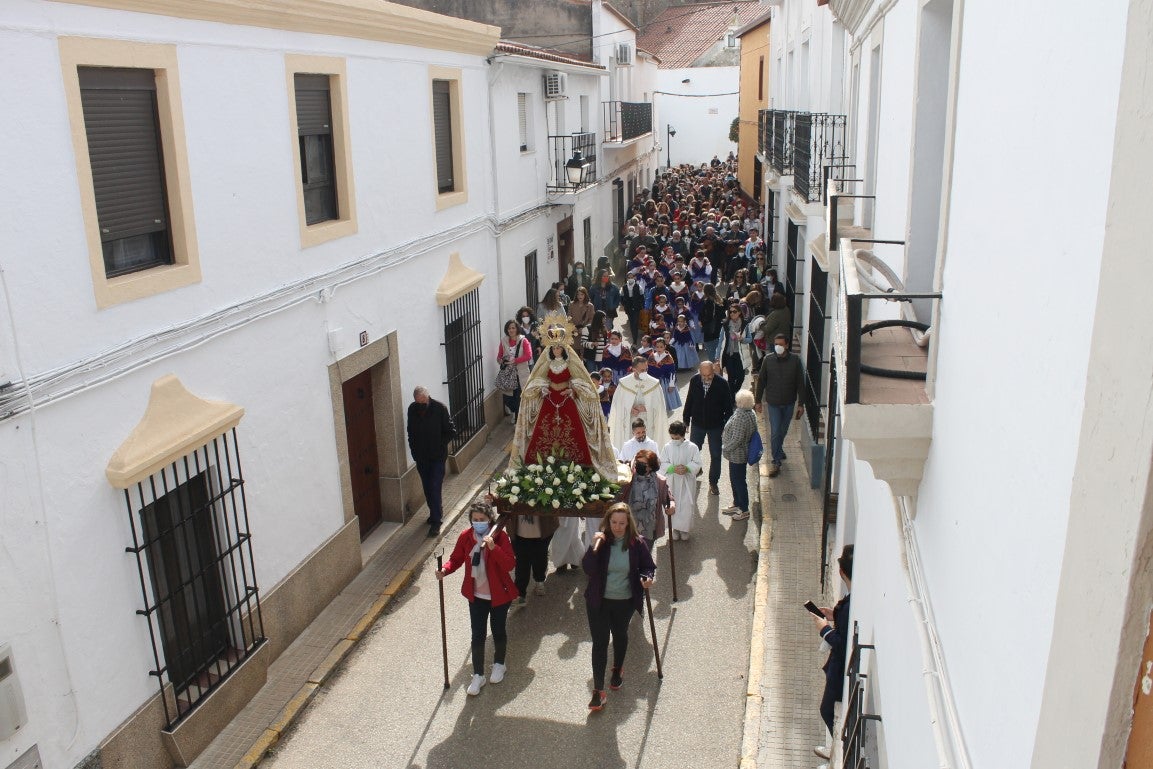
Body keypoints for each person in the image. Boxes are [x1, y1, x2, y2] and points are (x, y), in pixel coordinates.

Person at [513, 316, 618, 480]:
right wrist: (542, 388)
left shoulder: (571, 363)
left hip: (566, 401)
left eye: (559, 348)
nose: (556, 350)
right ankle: (542, 465)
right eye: (553, 348)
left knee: (572, 431)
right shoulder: (546, 363)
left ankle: (575, 465)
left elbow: (582, 381)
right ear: (550, 349)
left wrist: (572, 390)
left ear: (564, 348)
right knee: (545, 433)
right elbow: (538, 379)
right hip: (549, 401)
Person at [436, 501, 518, 695]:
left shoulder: (500, 537)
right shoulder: (465, 537)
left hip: (499, 594)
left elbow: (509, 564)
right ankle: (478, 674)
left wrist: (493, 548)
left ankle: (499, 664)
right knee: (477, 635)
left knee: (498, 630)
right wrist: (444, 570)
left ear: (490, 520)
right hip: (476, 595)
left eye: (482, 520)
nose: (478, 523)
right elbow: (455, 559)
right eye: (475, 520)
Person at [582, 503, 657, 711]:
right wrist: (593, 547)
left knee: (620, 634)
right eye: (614, 522)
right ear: (607, 521)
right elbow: (587, 568)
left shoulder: (637, 543)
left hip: (624, 601)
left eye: (621, 523)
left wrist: (647, 578)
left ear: (628, 523)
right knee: (599, 642)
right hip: (598, 600)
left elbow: (648, 567)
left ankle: (617, 668)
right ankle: (598, 691)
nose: (617, 527)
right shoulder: (602, 543)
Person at [812, 545, 853, 759]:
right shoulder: (851, 601)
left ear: (841, 572)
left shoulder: (849, 605)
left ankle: (837, 754)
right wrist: (833, 615)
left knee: (827, 710)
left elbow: (841, 642)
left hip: (839, 671)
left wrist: (824, 629)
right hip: (840, 669)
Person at [407, 387, 457, 537]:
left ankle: (436, 521)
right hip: (421, 457)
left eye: (424, 402)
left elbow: (451, 431)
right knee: (427, 487)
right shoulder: (412, 409)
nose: (421, 405)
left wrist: (438, 444)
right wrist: (414, 451)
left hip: (437, 457)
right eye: (418, 402)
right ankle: (435, 512)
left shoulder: (440, 408)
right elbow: (410, 431)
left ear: (428, 398)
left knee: (435, 486)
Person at [753, 333, 805, 478]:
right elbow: (762, 381)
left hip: (789, 403)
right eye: (776, 344)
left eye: (781, 344)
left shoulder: (795, 361)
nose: (778, 347)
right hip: (773, 403)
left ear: (787, 345)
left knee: (782, 431)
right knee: (775, 432)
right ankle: (776, 461)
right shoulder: (768, 360)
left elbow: (801, 383)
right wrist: (757, 401)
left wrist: (801, 404)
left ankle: (779, 450)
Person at [681, 361, 733, 495]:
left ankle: (713, 482)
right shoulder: (695, 380)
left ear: (714, 371)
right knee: (694, 452)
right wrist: (686, 420)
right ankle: (696, 472)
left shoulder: (722, 384)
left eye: (709, 375)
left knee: (715, 455)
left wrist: (726, 426)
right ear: (699, 372)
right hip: (697, 424)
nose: (706, 378)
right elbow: (689, 400)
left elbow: (728, 408)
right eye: (703, 375)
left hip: (716, 426)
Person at [609, 356, 668, 454]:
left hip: (648, 421)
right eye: (642, 370)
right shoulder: (624, 383)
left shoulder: (654, 383)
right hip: (629, 421)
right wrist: (629, 409)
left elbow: (660, 405)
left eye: (646, 369)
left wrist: (646, 407)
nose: (645, 372)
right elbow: (617, 404)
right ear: (634, 369)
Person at [616, 449, 673, 543]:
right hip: (628, 527)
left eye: (643, 464)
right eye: (637, 462)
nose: (638, 465)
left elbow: (668, 498)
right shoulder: (628, 478)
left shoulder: (659, 481)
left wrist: (670, 506)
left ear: (650, 467)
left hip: (649, 528)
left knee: (644, 555)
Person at [660, 421, 702, 540]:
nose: (674, 440)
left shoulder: (692, 447)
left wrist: (687, 468)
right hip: (672, 481)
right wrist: (672, 468)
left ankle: (684, 529)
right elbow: (662, 462)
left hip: (686, 481)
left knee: (685, 505)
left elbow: (697, 463)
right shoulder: (667, 447)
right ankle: (674, 528)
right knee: (673, 504)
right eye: (672, 438)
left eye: (677, 438)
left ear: (683, 435)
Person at [720, 390, 758, 521]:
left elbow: (737, 439)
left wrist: (725, 447)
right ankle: (737, 503)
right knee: (735, 478)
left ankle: (744, 509)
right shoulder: (750, 412)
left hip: (738, 454)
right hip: (739, 453)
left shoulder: (741, 416)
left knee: (739, 481)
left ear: (740, 403)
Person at [497, 319, 533, 420]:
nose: (511, 330)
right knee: (508, 398)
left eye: (513, 328)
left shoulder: (523, 341)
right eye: (509, 328)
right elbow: (499, 356)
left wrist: (515, 360)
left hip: (520, 374)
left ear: (517, 329)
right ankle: (514, 412)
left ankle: (518, 420)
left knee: (519, 398)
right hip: (508, 375)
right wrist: (503, 361)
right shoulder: (504, 341)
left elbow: (528, 356)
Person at [648, 336, 682, 413]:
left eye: (661, 347)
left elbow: (672, 372)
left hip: (664, 382)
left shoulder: (668, 358)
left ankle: (663, 412)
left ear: (665, 347)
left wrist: (671, 385)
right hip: (653, 382)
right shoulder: (651, 356)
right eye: (657, 347)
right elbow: (648, 370)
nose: (659, 349)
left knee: (663, 398)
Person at [720, 303, 749, 394]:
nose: (732, 313)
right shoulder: (725, 324)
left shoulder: (745, 324)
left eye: (734, 311)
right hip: (729, 354)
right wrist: (717, 356)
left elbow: (750, 339)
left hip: (740, 355)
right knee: (731, 378)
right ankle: (731, 400)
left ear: (739, 312)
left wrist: (742, 339)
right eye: (730, 312)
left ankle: (732, 393)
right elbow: (720, 341)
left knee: (741, 377)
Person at [620, 270, 646, 342]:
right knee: (631, 323)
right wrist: (624, 304)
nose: (630, 278)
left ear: (634, 277)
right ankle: (634, 336)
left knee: (635, 322)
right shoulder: (624, 287)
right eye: (629, 277)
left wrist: (642, 306)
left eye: (632, 277)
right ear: (627, 278)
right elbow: (621, 297)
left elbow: (642, 297)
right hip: (628, 308)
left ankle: (635, 339)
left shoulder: (638, 287)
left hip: (636, 307)